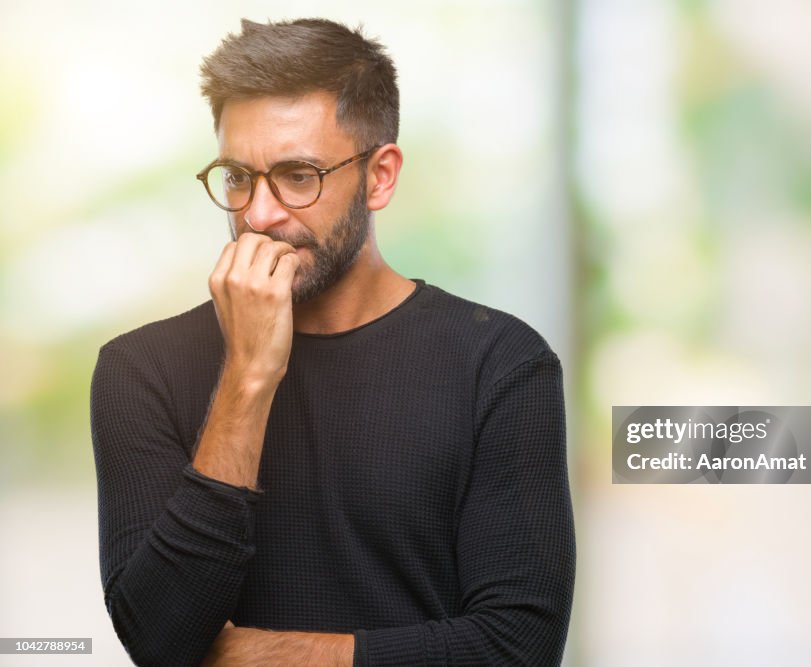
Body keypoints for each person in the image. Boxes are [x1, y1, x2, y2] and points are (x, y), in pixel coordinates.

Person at [90, 18, 575, 667]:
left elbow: (517, 647)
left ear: (380, 176)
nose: (258, 215)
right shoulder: (139, 369)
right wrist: (248, 377)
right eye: (237, 176)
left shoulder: (500, 363)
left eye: (298, 175)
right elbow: (159, 640)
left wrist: (248, 654)